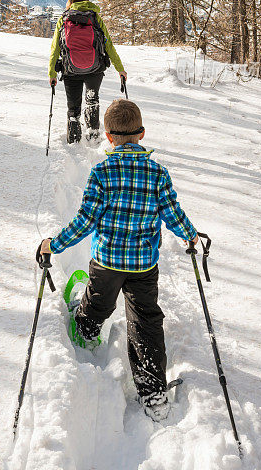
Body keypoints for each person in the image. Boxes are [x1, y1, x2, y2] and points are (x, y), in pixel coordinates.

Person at [39, 99, 198, 422]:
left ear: (109, 137)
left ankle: (85, 328)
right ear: (141, 134)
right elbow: (172, 213)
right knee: (146, 323)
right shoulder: (157, 172)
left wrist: (52, 245)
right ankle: (154, 394)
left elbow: (85, 220)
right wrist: (191, 236)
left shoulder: (102, 171)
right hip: (142, 265)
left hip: (107, 260)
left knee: (98, 300)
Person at [48, 0, 126, 144]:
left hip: (70, 70)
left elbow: (55, 48)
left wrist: (52, 72)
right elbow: (108, 45)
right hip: (95, 69)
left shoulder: (64, 19)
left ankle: (74, 140)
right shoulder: (95, 18)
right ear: (86, 1)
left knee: (73, 107)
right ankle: (93, 136)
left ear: (70, 2)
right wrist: (120, 69)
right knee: (92, 100)